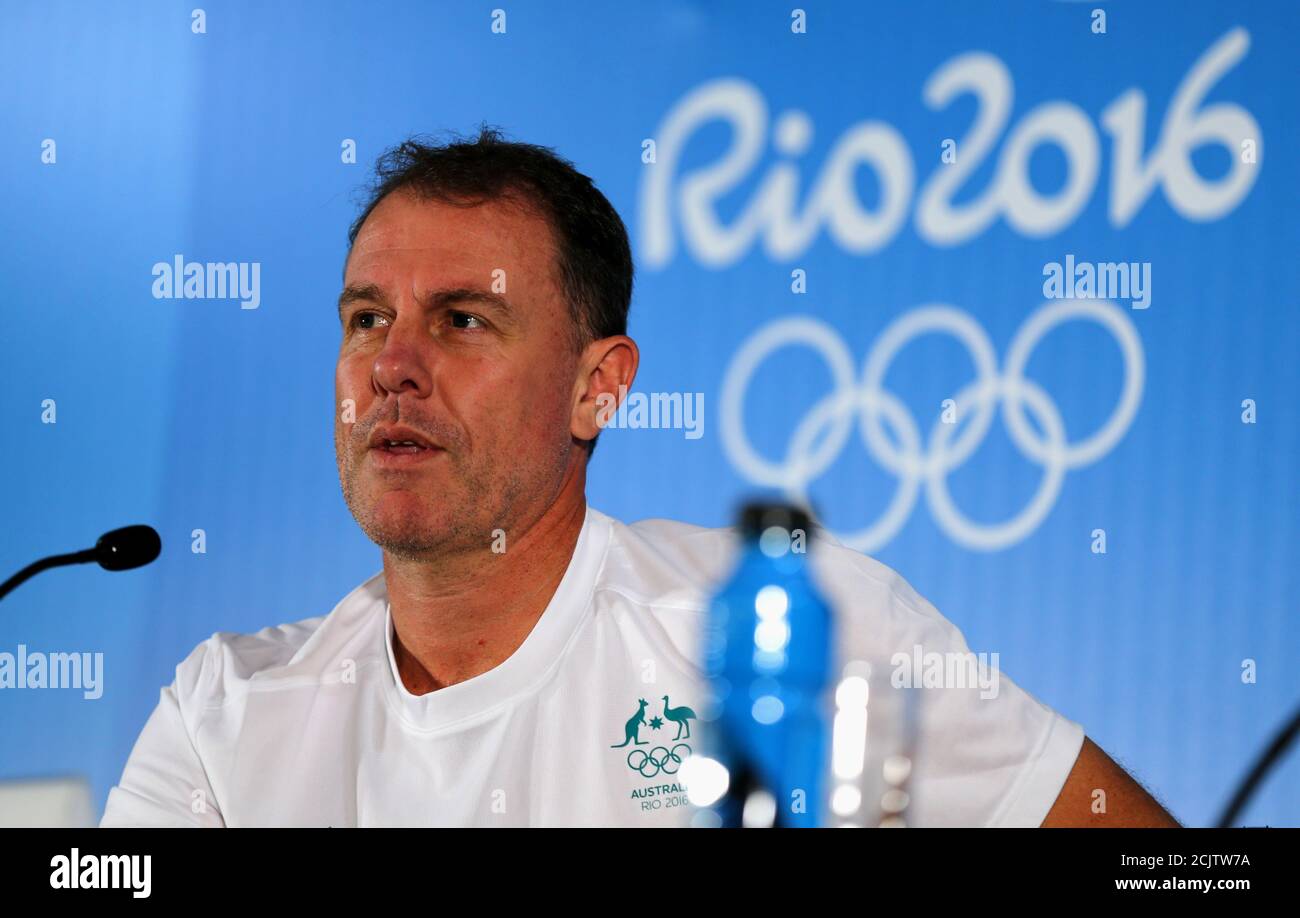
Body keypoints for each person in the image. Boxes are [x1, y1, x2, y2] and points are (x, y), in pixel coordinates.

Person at [100, 127, 1179, 827]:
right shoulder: (226, 714)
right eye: (366, 320)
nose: (391, 368)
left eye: (461, 321)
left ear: (596, 388)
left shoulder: (783, 626)